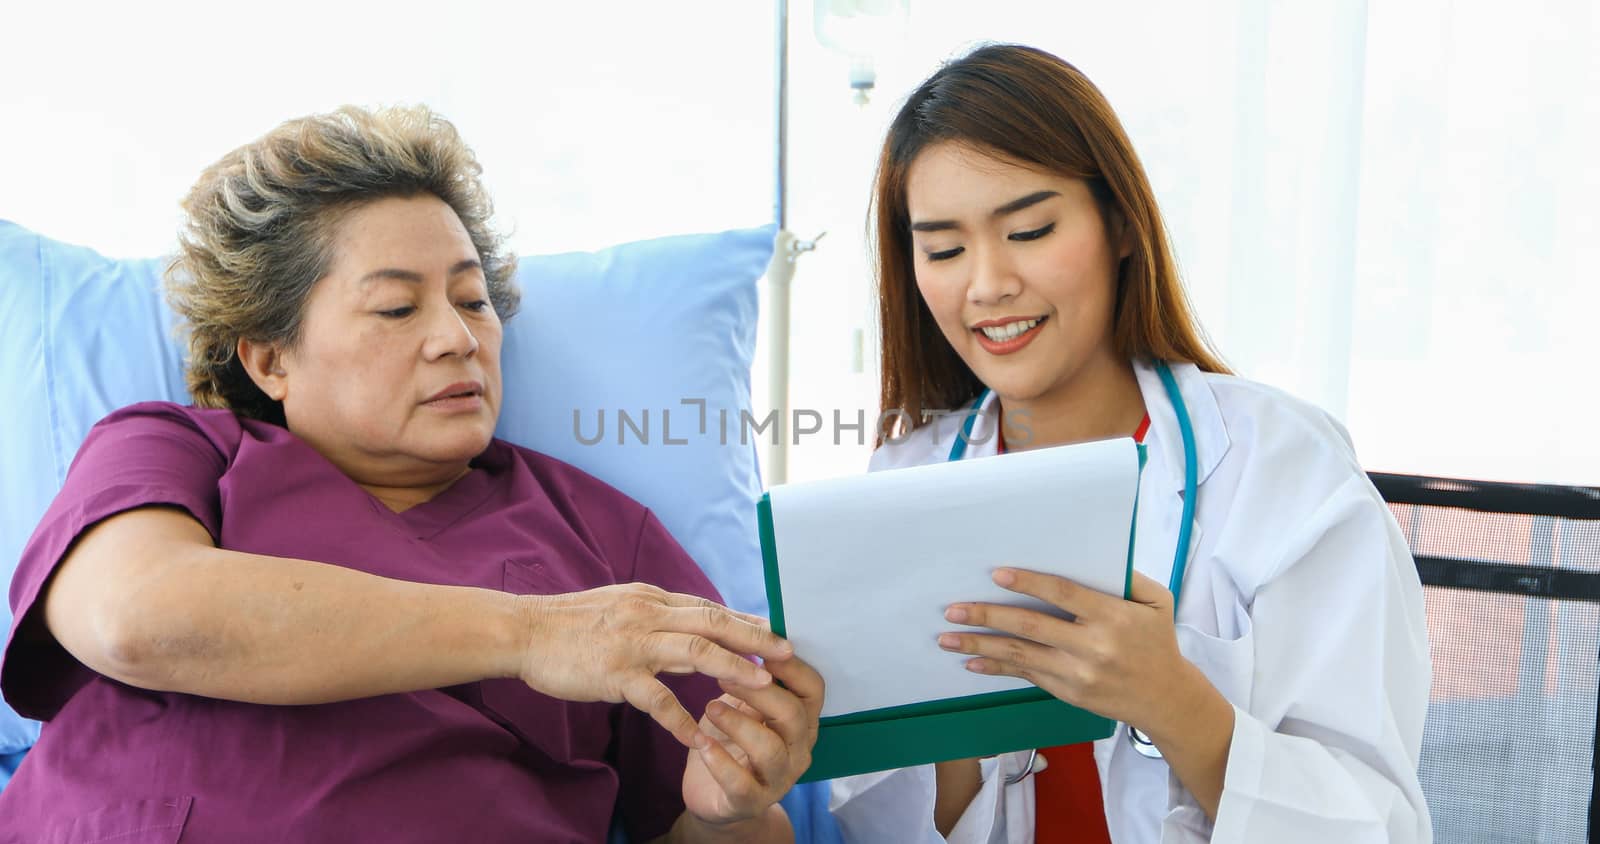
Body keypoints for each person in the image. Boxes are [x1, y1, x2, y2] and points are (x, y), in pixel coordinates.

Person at [0, 105, 822, 843]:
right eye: (398, 308)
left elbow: (713, 818)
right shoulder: (175, 453)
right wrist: (535, 635)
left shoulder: (602, 537)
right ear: (270, 357)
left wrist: (728, 817)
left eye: (473, 302)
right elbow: (134, 618)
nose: (458, 339)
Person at [827, 45, 1431, 843]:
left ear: (1118, 222)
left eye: (1030, 229)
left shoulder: (1283, 471)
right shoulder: (901, 479)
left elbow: (1376, 824)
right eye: (943, 249)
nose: (987, 283)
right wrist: (945, 737)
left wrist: (1172, 701)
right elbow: (879, 821)